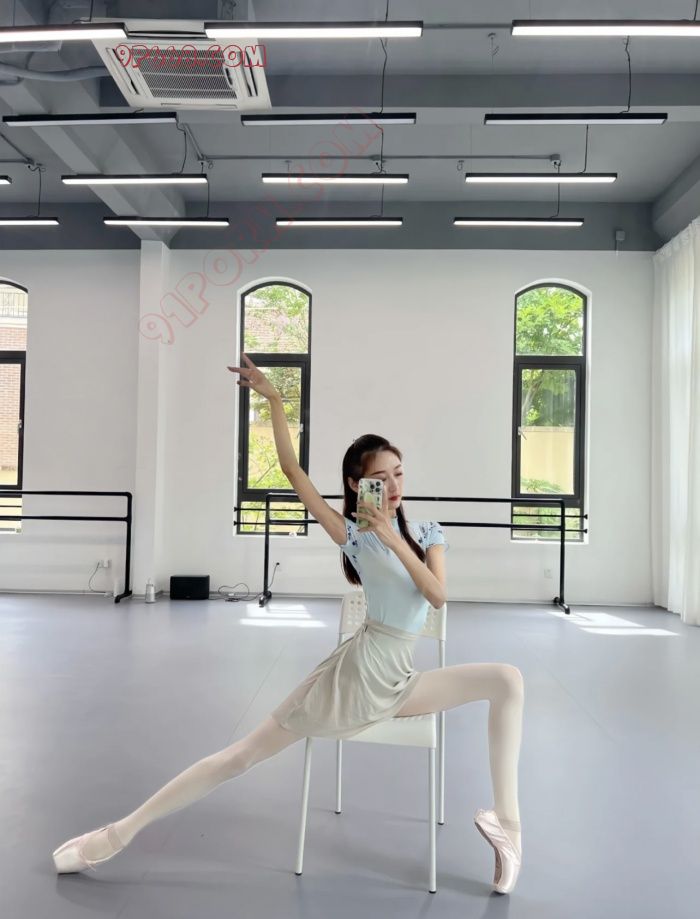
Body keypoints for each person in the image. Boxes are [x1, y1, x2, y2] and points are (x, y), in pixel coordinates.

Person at [52, 353, 524, 894]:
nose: (393, 486)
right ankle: (114, 835)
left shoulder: (429, 533)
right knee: (240, 757)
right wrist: (275, 399)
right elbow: (293, 473)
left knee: (507, 680)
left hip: (399, 680)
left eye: (398, 473)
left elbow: (437, 596)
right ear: (357, 486)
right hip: (355, 679)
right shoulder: (354, 536)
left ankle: (507, 828)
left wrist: (396, 537)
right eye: (379, 478)